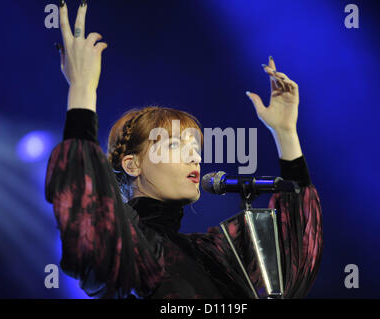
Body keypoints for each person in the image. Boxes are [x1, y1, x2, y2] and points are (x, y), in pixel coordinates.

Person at [45, 0, 323, 298]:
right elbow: (85, 212)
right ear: (132, 165)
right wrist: (82, 90)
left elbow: (295, 249)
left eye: (195, 146)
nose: (195, 156)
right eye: (176, 144)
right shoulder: (133, 248)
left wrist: (285, 133)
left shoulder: (213, 253)